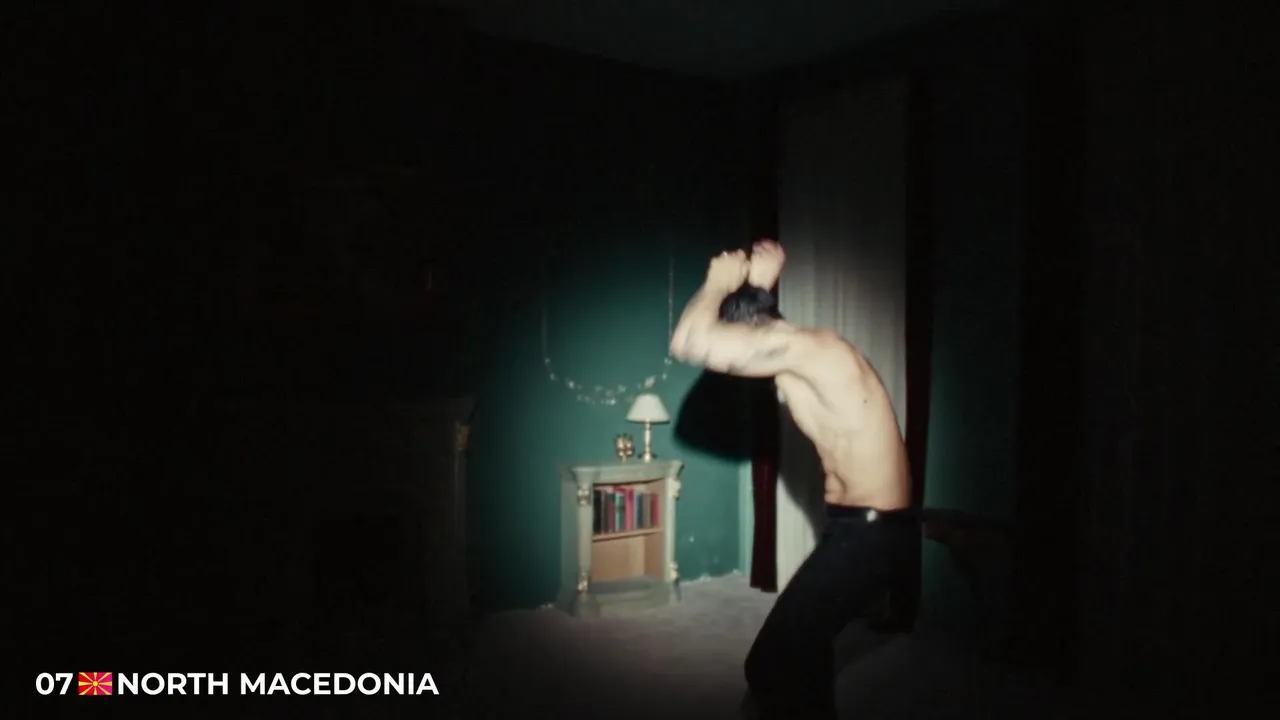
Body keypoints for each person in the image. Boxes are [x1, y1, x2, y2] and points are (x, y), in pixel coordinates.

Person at [669, 240, 916, 719]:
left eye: (743, 349)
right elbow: (759, 326)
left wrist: (718, 283)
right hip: (859, 529)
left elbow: (688, 342)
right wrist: (758, 286)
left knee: (769, 663)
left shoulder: (813, 349)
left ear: (753, 335)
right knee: (806, 652)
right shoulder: (796, 359)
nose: (748, 370)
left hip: (872, 536)